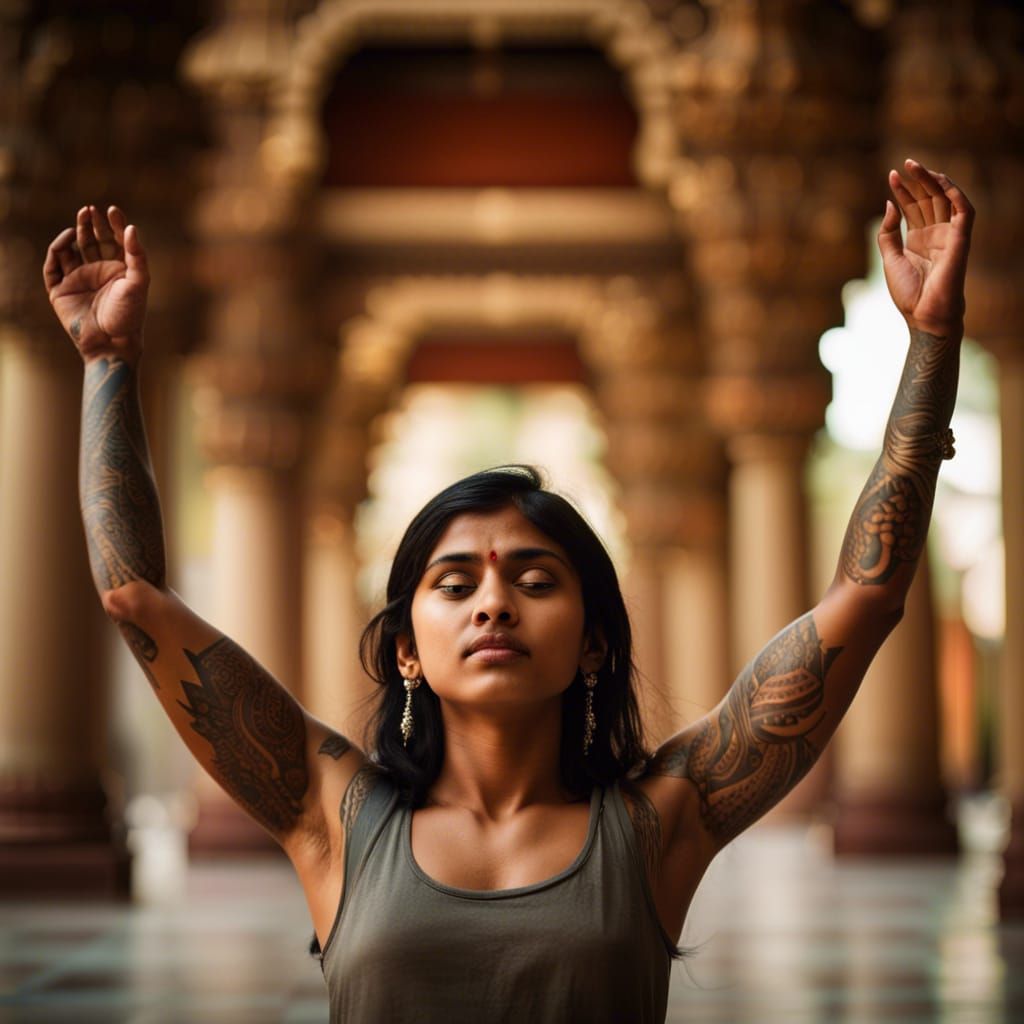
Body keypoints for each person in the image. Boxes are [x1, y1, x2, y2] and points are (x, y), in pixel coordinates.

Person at [42, 159, 973, 1023]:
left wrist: (930, 341)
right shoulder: (331, 813)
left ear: (596, 639)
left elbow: (872, 594)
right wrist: (107, 365)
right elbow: (133, 596)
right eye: (454, 583)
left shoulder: (661, 820)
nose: (494, 602)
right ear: (407, 644)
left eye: (535, 578)